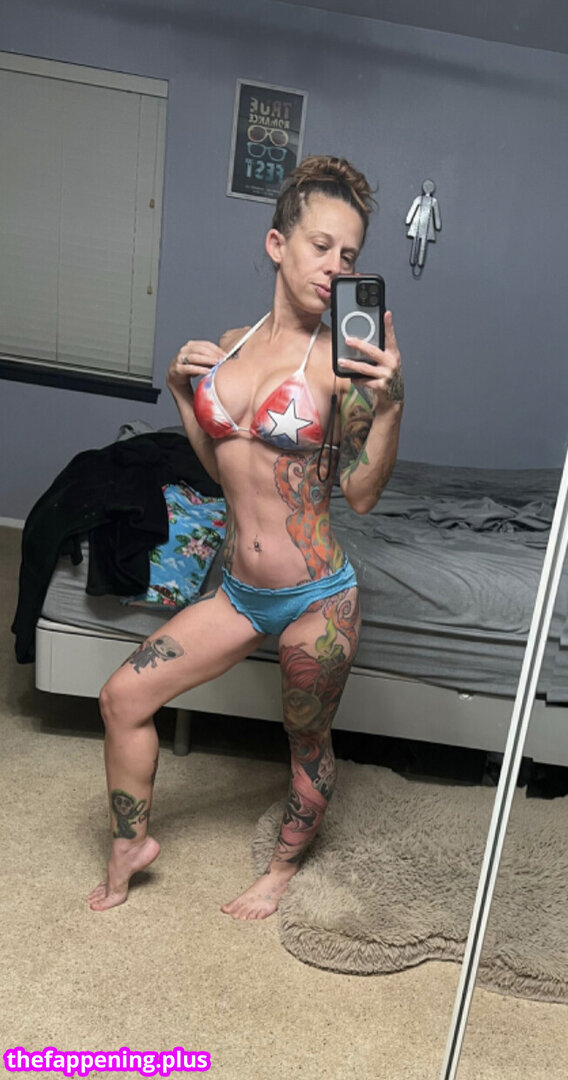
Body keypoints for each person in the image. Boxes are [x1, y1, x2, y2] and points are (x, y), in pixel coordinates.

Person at [88, 155, 404, 919]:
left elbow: (361, 495)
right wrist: (182, 396)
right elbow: (221, 469)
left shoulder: (344, 368)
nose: (335, 267)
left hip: (317, 599)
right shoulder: (232, 345)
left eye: (350, 255)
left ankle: (282, 870)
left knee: (306, 743)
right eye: (321, 246)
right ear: (277, 244)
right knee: (122, 698)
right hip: (238, 593)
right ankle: (129, 845)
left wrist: (391, 403)